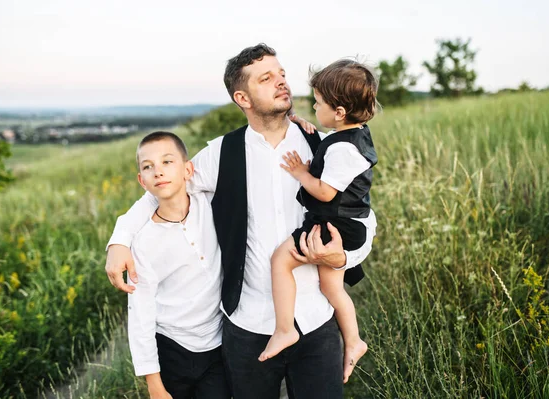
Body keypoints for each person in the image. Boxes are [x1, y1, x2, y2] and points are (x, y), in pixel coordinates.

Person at [105, 44, 377, 398]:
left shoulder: (324, 145)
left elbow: (363, 217)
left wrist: (343, 258)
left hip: (317, 320)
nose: (281, 82)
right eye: (266, 78)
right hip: (247, 325)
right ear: (243, 97)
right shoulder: (221, 153)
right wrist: (120, 239)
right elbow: (161, 190)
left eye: (281, 74)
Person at [259, 59, 378, 377]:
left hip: (333, 225)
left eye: (319, 103)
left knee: (280, 260)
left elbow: (325, 192)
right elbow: (334, 144)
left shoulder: (343, 150)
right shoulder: (354, 136)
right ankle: (353, 341)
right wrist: (305, 125)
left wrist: (301, 172)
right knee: (331, 286)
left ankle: (285, 329)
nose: (314, 106)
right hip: (347, 223)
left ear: (339, 112)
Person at [127, 131, 229, 399]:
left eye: (167, 162)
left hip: (217, 344)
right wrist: (153, 383)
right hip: (172, 348)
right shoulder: (142, 241)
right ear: (142, 181)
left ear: (188, 170)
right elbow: (141, 313)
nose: (158, 172)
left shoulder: (209, 204)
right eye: (148, 167)